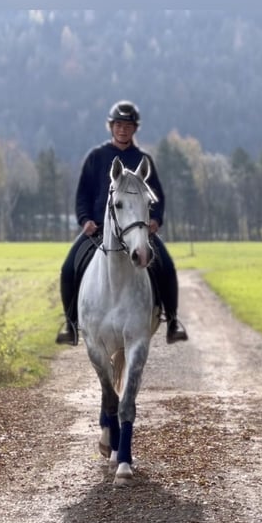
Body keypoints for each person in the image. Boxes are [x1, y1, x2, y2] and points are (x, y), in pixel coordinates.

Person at [56, 99, 189, 346]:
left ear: (135, 128)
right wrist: (85, 220)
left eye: (128, 125)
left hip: (136, 230)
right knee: (67, 269)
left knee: (167, 266)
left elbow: (156, 197)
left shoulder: (142, 160)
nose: (122, 129)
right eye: (118, 124)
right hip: (98, 230)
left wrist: (156, 220)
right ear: (111, 127)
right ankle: (71, 324)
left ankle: (172, 322)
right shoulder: (96, 158)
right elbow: (82, 195)